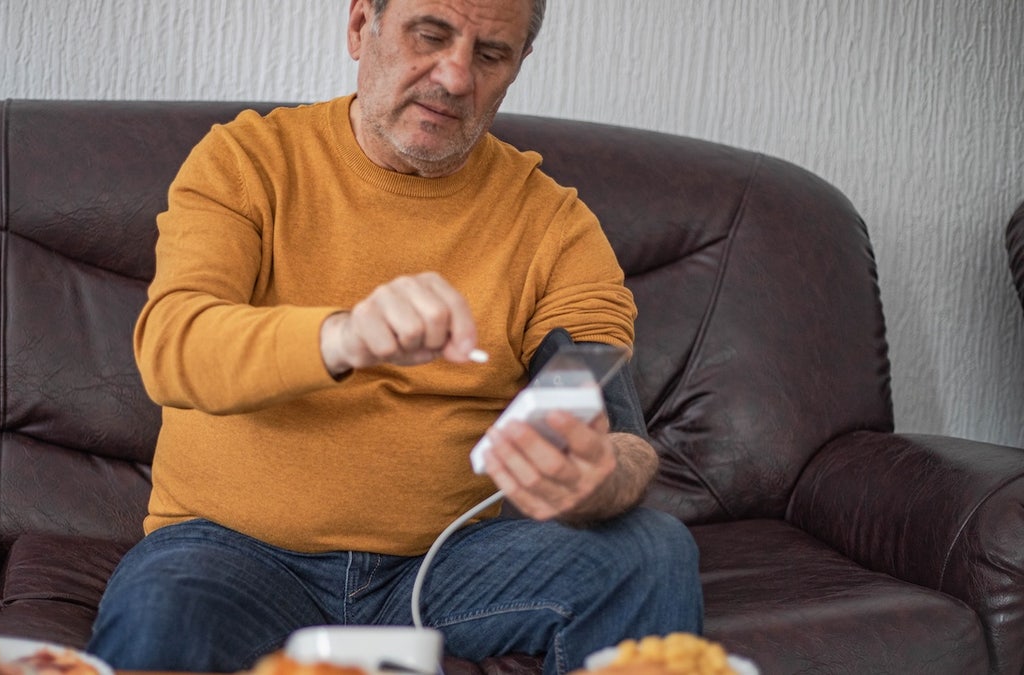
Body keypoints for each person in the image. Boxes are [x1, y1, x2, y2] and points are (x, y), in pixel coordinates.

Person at [86, 1, 703, 673]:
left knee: (651, 549)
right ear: (360, 27)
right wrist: (345, 336)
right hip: (229, 552)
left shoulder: (553, 225)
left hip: (444, 567)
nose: (457, 76)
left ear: (517, 67)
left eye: (490, 55)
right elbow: (176, 346)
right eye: (430, 35)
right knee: (160, 615)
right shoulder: (248, 160)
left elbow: (617, 428)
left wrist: (601, 475)